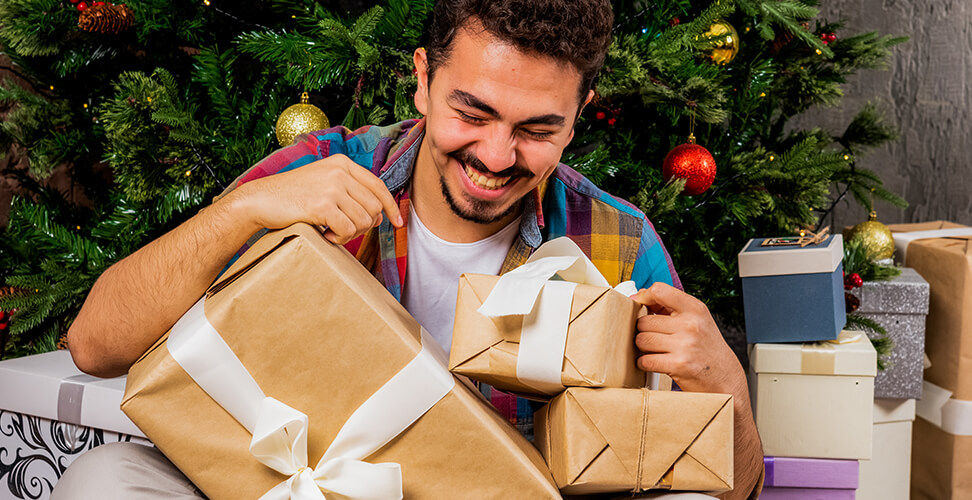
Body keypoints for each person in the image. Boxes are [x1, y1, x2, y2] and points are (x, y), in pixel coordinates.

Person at [54, 0, 763, 498]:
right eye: (471, 111)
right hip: (279, 485)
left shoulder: (615, 243)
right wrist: (241, 210)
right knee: (105, 479)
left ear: (578, 116)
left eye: (537, 129)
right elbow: (95, 343)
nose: (495, 155)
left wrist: (727, 388)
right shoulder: (323, 169)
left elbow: (729, 490)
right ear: (424, 80)